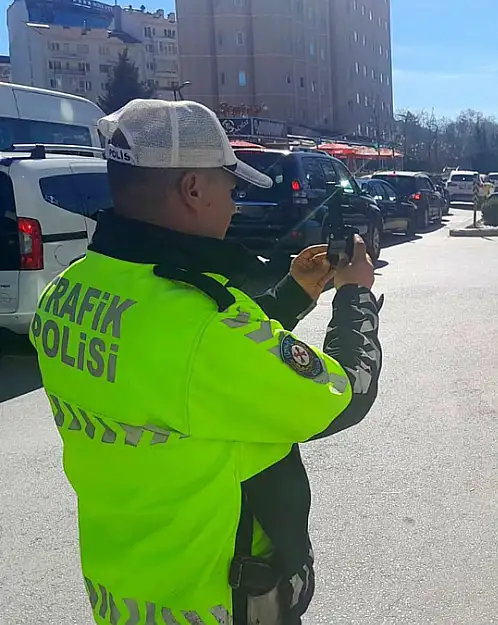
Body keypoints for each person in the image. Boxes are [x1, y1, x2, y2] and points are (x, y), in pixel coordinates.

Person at [28, 99, 384, 625]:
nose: (235, 204)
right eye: (231, 188)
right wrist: (355, 295)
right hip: (218, 598)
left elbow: (180, 369)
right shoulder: (201, 323)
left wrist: (293, 295)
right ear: (194, 189)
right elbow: (342, 397)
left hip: (123, 590)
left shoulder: (69, 290)